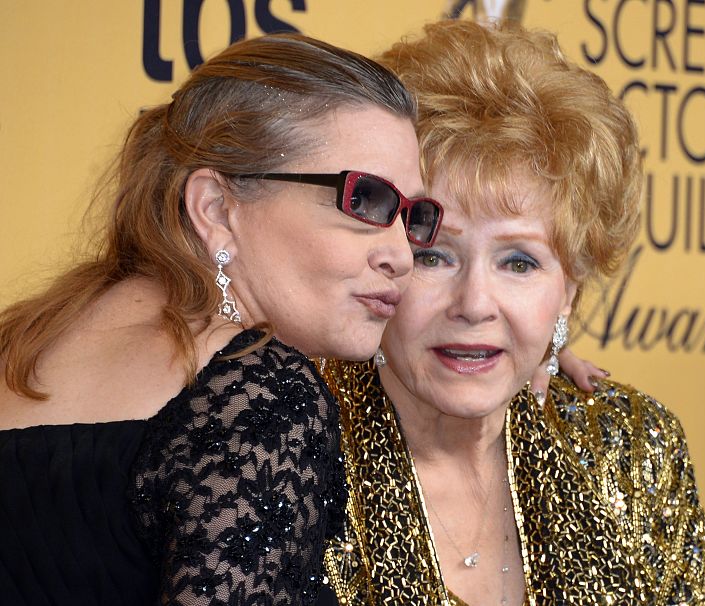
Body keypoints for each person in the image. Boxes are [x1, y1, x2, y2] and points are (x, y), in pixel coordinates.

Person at [0, 33, 446, 605]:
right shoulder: (258, 391)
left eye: (414, 216)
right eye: (365, 201)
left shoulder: (25, 343)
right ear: (215, 208)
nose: (401, 255)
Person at [316, 20, 705, 606]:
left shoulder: (629, 443)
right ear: (381, 259)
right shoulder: (293, 454)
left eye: (519, 262)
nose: (475, 305)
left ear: (569, 289)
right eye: (433, 256)